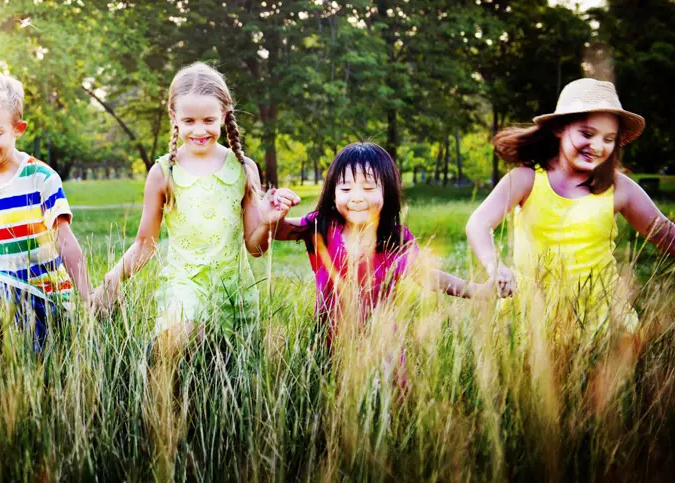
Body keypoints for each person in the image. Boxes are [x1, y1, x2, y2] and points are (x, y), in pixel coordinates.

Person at [93, 62, 300, 349]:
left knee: (224, 379)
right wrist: (111, 280)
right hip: (184, 288)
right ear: (173, 116)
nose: (199, 130)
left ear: (224, 115)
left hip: (233, 291)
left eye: (208, 120)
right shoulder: (164, 172)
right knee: (180, 339)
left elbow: (256, 249)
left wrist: (266, 221)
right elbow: (145, 244)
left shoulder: (243, 169)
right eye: (189, 121)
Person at [466, 77, 675, 337]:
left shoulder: (620, 188)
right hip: (533, 316)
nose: (597, 146)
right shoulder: (526, 179)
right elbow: (478, 222)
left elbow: (666, 235)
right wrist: (494, 265)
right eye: (587, 134)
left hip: (602, 317)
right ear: (559, 128)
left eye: (608, 139)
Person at [275, 142, 496, 341]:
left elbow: (428, 277)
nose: (357, 197)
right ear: (333, 194)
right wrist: (276, 208)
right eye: (345, 188)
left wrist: (477, 291)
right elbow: (279, 230)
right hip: (328, 348)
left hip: (381, 350)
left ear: (386, 192)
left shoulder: (396, 240)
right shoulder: (321, 226)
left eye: (369, 188)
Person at [0, 72, 91, 351]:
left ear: (18, 129)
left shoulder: (41, 177)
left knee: (40, 362)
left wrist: (87, 296)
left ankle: (28, 353)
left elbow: (65, 240)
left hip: (44, 291)